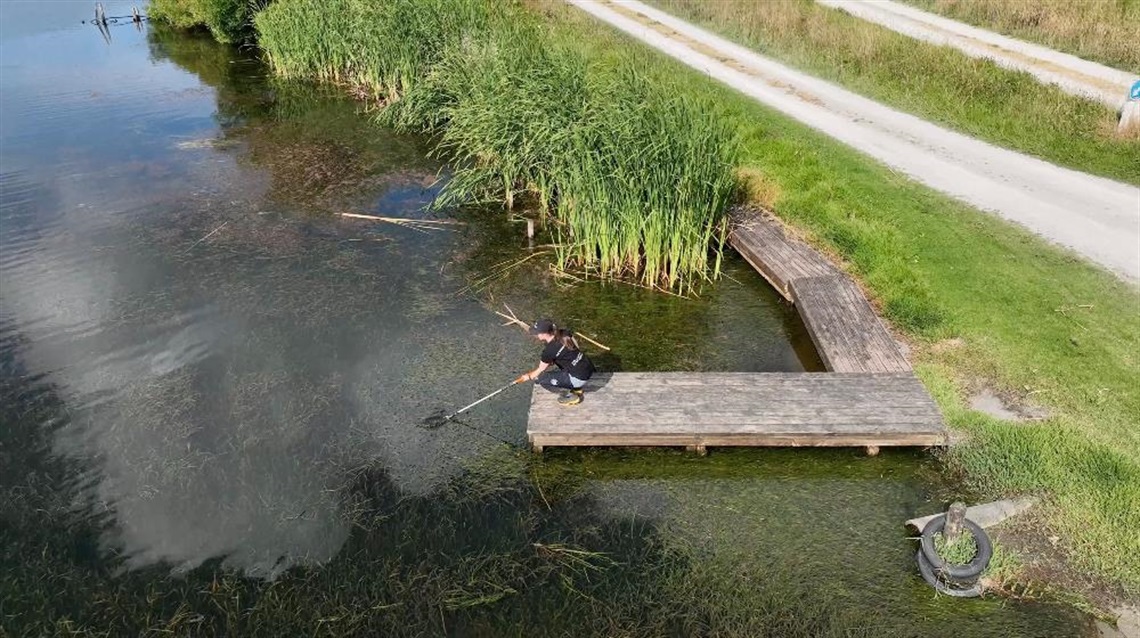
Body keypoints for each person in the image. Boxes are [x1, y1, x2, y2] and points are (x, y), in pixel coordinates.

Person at [515, 318, 595, 406]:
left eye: (537, 333)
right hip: (588, 367)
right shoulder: (564, 333)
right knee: (557, 362)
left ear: (544, 334)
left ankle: (571, 395)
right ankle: (576, 387)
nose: (536, 335)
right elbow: (575, 347)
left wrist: (528, 376)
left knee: (541, 378)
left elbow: (539, 370)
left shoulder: (549, 351)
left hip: (579, 379)